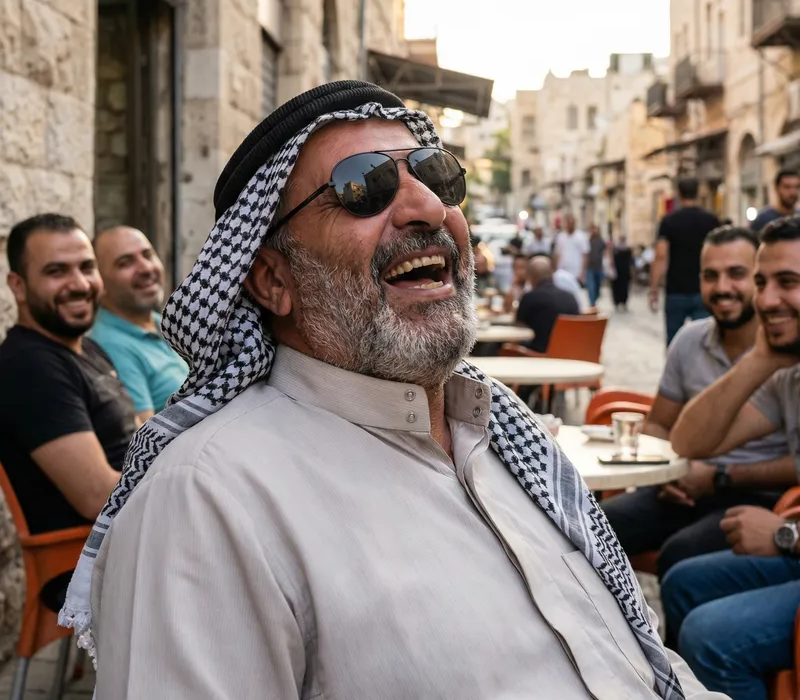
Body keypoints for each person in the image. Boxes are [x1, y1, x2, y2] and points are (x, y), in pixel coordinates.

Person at [65, 81, 721, 699]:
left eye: (437, 175)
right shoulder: (209, 501)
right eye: (362, 188)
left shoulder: (500, 433)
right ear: (271, 280)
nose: (428, 208)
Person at [601, 226, 792, 577]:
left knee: (681, 556)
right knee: (590, 527)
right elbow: (661, 426)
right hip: (685, 486)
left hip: (760, 495)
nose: (722, 289)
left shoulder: (785, 351)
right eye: (710, 276)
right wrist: (666, 475)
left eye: (738, 275)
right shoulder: (690, 340)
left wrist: (721, 475)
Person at [662, 215, 800, 698]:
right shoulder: (787, 370)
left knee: (710, 636)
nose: (765, 301)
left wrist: (787, 537)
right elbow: (690, 442)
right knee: (681, 580)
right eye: (762, 283)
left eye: (788, 284)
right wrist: (761, 358)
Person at [0, 214, 137, 611]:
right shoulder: (29, 366)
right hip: (90, 562)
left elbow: (139, 434)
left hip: (134, 537)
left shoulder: (83, 348)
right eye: (56, 271)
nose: (78, 284)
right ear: (18, 286)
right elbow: (98, 497)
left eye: (86, 267)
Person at [89, 226, 189, 419]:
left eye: (148, 255)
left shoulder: (161, 323)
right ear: (99, 282)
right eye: (125, 263)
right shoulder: (112, 346)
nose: (145, 268)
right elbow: (142, 439)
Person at [650, 177, 720, 345]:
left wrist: (653, 289)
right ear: (698, 193)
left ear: (678, 194)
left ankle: (676, 372)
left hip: (676, 290)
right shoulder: (710, 220)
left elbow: (661, 256)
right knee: (706, 341)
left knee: (674, 343)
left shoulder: (668, 221)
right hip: (703, 289)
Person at [516, 256, 580, 352]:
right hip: (570, 354)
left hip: (538, 354)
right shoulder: (570, 297)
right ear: (552, 274)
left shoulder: (529, 298)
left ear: (530, 276)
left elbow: (518, 327)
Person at [750, 168, 800, 233]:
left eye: (796, 187)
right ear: (777, 189)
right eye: (787, 187)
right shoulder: (762, 219)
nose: (792, 192)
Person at [552, 213, 589, 283]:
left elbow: (585, 255)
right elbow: (557, 254)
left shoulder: (581, 236)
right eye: (569, 223)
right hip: (563, 270)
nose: (570, 225)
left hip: (576, 270)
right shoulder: (560, 237)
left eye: (572, 223)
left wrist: (583, 272)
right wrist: (555, 269)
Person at [585, 224, 606, 307]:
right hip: (589, 267)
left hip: (598, 267)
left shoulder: (600, 241)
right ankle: (592, 302)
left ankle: (595, 298)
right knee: (591, 286)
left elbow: (605, 251)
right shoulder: (587, 241)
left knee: (597, 285)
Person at [612, 235, 634, 309]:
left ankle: (623, 301)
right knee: (617, 287)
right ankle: (617, 301)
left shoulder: (627, 249)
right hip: (617, 271)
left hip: (625, 271)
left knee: (624, 287)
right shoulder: (615, 248)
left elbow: (631, 260)